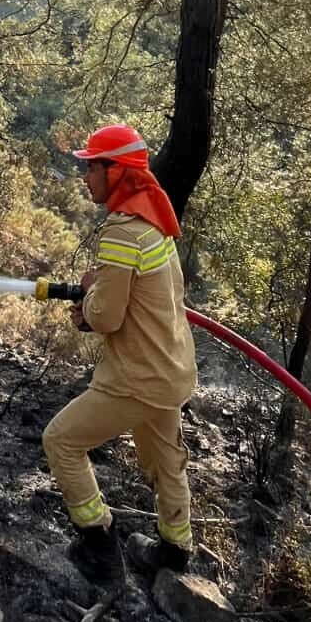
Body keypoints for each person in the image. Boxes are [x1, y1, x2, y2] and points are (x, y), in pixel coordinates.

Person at [42, 124, 197, 585]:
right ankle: (174, 551)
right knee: (163, 460)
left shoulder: (121, 231)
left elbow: (108, 317)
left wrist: (88, 310)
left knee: (61, 441)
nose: (86, 175)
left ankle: (98, 542)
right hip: (169, 371)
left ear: (117, 171)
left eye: (93, 166)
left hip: (135, 376)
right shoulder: (152, 221)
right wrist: (100, 291)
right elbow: (142, 294)